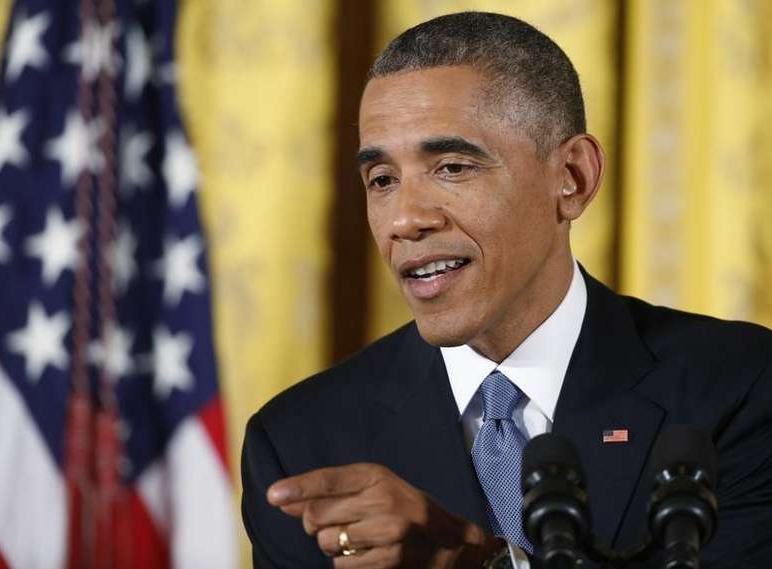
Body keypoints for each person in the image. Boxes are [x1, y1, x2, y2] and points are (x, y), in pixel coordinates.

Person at [241, 12, 772, 569]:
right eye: (382, 180)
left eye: (450, 167)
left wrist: (483, 563)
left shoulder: (740, 389)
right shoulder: (300, 445)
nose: (404, 220)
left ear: (573, 177)